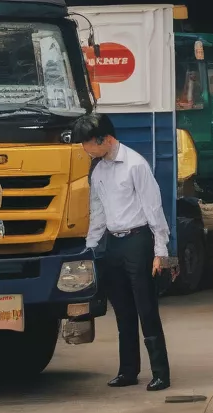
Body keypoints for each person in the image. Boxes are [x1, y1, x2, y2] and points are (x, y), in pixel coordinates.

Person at [73, 111, 171, 391]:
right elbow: (98, 212)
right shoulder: (98, 169)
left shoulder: (135, 165)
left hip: (139, 241)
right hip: (113, 242)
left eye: (87, 143)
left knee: (146, 308)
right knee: (123, 311)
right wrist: (90, 248)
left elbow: (154, 209)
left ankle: (161, 372)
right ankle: (128, 371)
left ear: (105, 139)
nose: (84, 149)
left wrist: (160, 251)